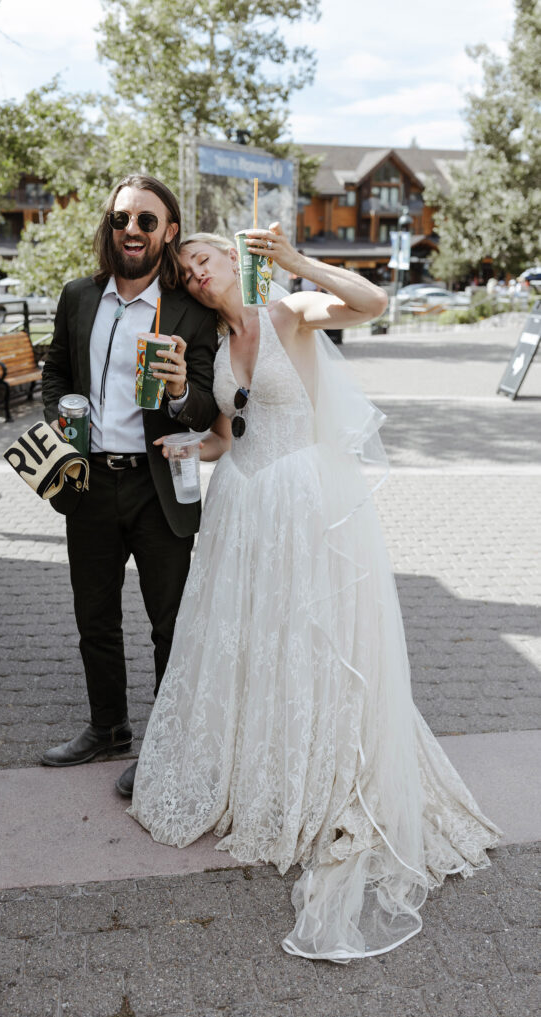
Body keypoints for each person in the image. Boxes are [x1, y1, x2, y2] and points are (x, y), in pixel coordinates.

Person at [129, 226, 500, 962]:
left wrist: (293, 260)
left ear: (234, 258)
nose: (196, 274)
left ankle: (321, 775)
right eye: (186, 271)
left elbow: (369, 301)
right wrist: (192, 443)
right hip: (243, 506)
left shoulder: (287, 312)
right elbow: (234, 432)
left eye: (202, 258)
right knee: (253, 644)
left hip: (305, 505)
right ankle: (255, 770)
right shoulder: (214, 341)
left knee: (312, 641)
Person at [40, 175, 219, 795]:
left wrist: (177, 390)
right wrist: (59, 427)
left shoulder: (192, 313)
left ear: (168, 230)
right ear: (109, 228)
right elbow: (55, 370)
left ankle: (166, 743)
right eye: (122, 220)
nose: (133, 231)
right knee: (94, 616)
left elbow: (202, 412)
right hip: (87, 482)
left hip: (157, 485)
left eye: (147, 220)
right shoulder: (78, 296)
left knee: (168, 622)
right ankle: (108, 728)